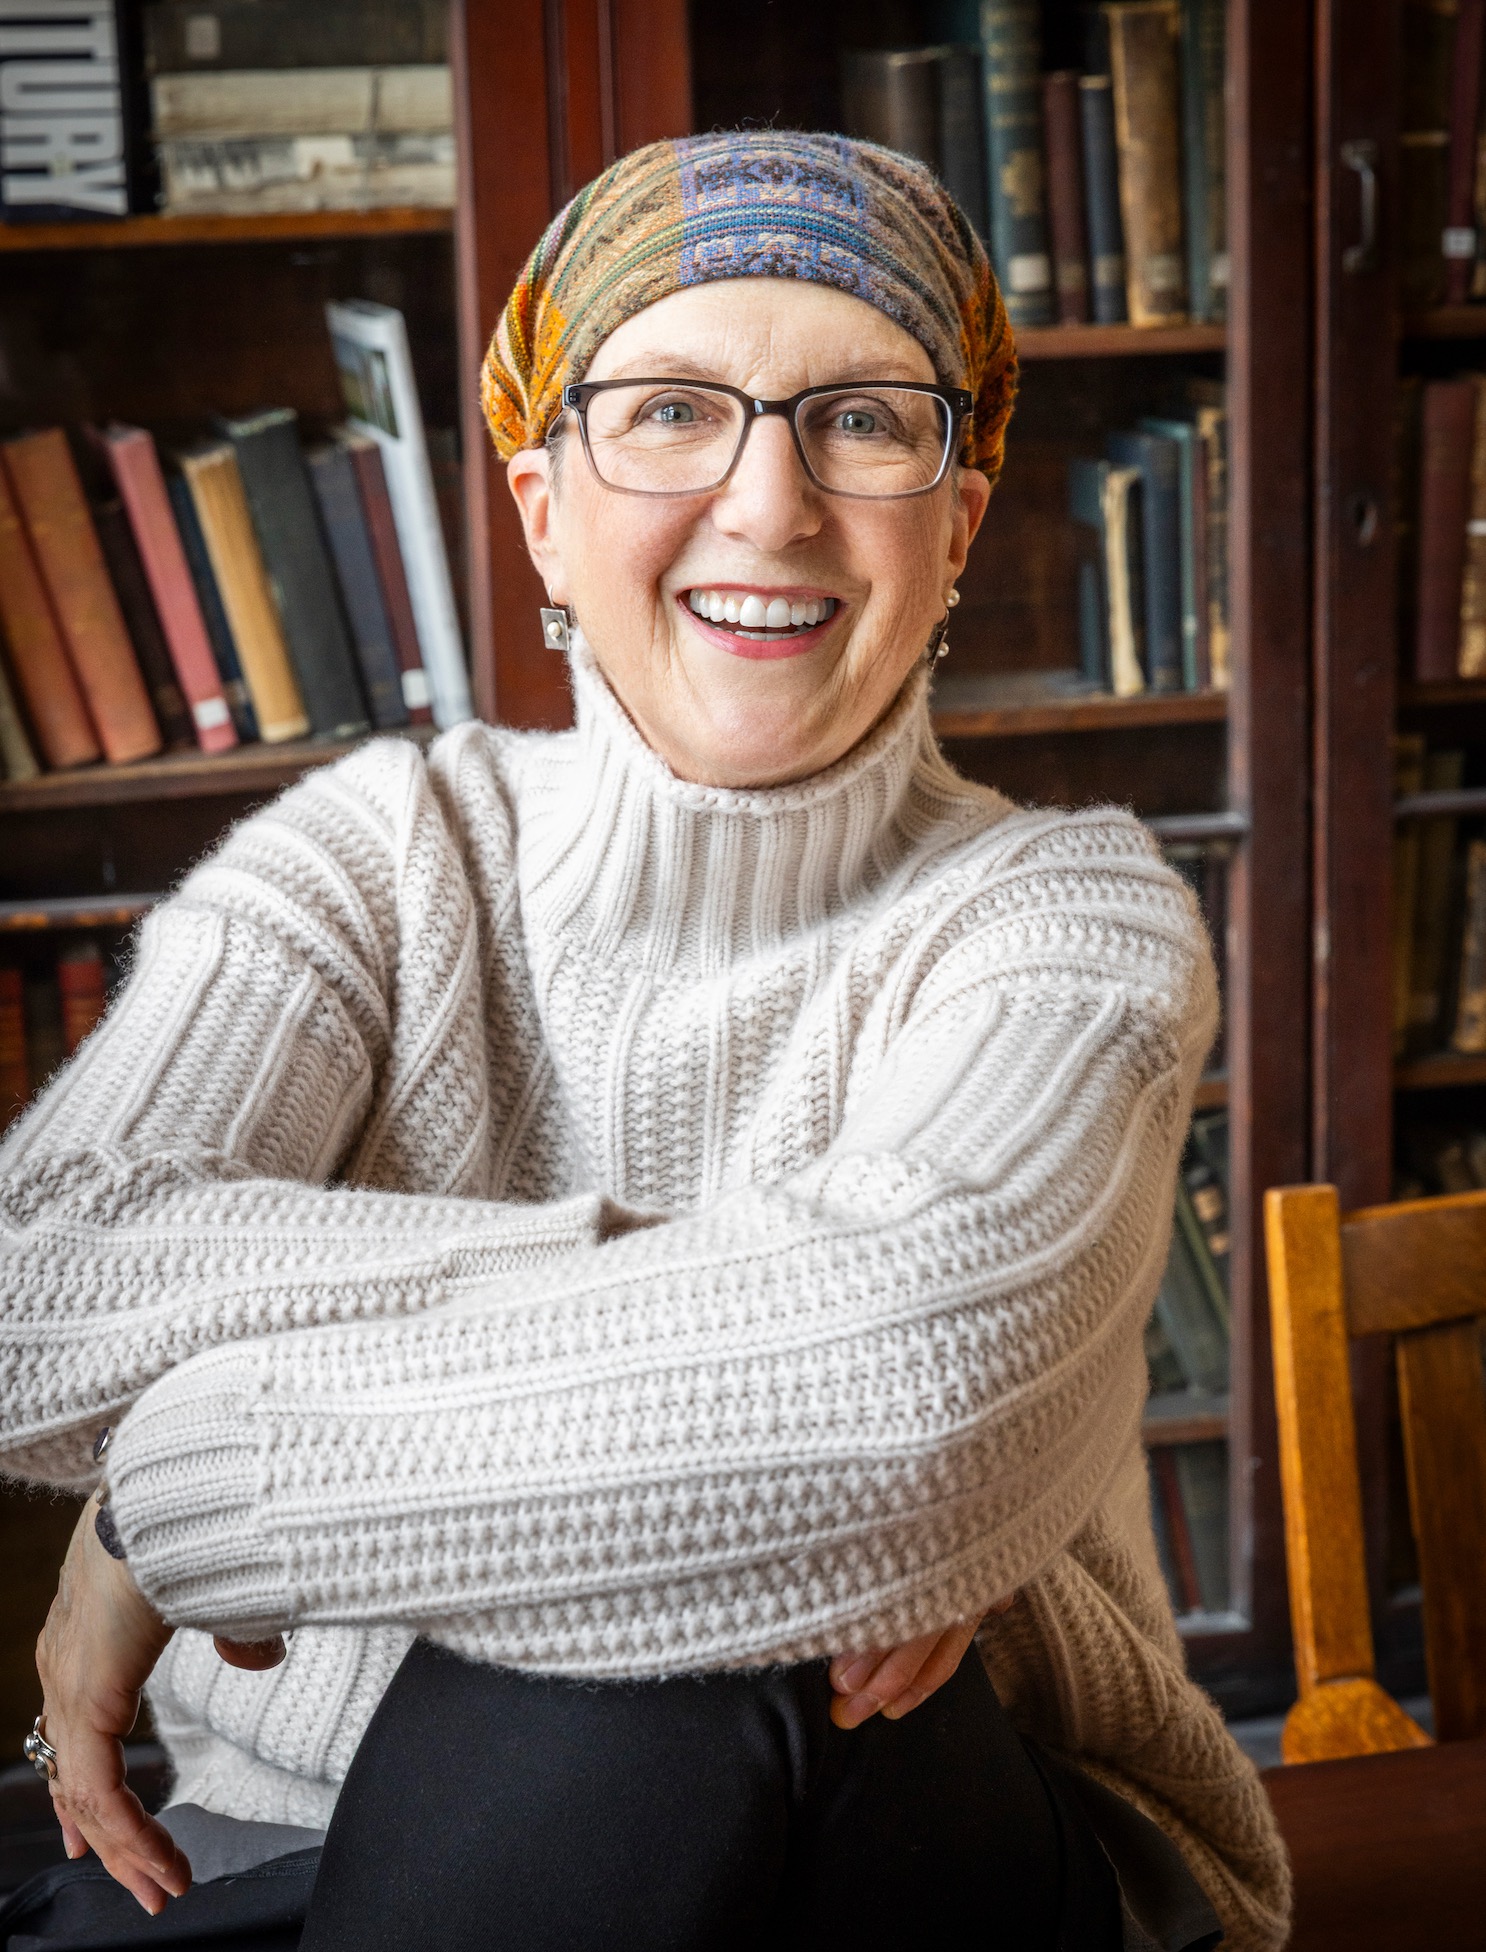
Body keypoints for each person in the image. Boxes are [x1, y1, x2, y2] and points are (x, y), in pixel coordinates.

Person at [0, 131, 1288, 1951]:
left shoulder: (1065, 915)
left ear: (958, 521)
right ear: (541, 507)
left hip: (922, 1846)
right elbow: (42, 1290)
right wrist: (703, 1320)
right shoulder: (377, 848)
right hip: (254, 1854)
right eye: (673, 412)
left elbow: (907, 1385)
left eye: (860, 419)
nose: (768, 504)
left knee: (683, 1632)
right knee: (722, 1540)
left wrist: (183, 1482)